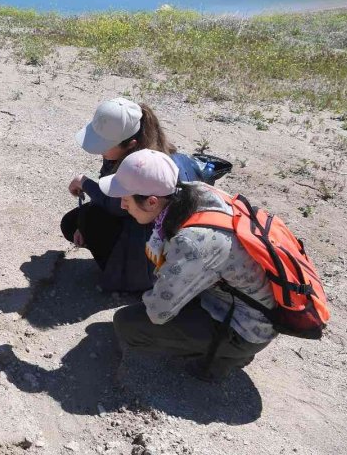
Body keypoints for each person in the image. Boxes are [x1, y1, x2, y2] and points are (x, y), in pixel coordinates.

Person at [104, 150, 276, 380]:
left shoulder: (191, 243)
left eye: (126, 200)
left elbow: (158, 313)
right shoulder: (194, 191)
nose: (123, 206)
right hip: (246, 302)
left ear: (152, 201)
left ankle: (225, 357)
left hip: (246, 328)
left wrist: (156, 295)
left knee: (128, 324)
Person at [63, 98, 202, 292]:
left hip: (153, 250)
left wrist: (84, 183)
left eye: (104, 145)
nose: (100, 151)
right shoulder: (130, 153)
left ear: (130, 144)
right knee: (76, 221)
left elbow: (116, 205)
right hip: (147, 226)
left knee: (90, 221)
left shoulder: (143, 170)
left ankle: (128, 277)